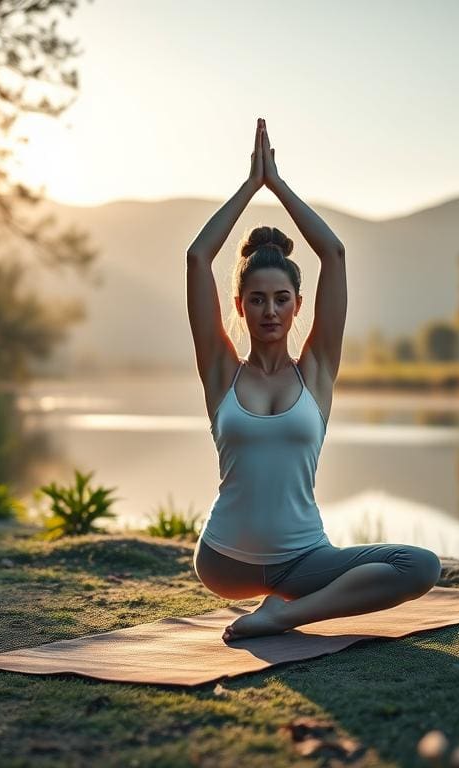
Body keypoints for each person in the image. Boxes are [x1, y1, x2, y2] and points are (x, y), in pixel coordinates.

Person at [186, 117, 442, 642]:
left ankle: (281, 615)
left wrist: (278, 186)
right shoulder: (221, 371)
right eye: (256, 299)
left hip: (302, 562)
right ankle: (276, 611)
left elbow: (335, 254)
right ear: (240, 305)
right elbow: (197, 257)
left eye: (281, 299)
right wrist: (249, 186)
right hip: (222, 562)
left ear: (298, 305)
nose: (270, 311)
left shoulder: (317, 371)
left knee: (419, 566)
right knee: (408, 569)